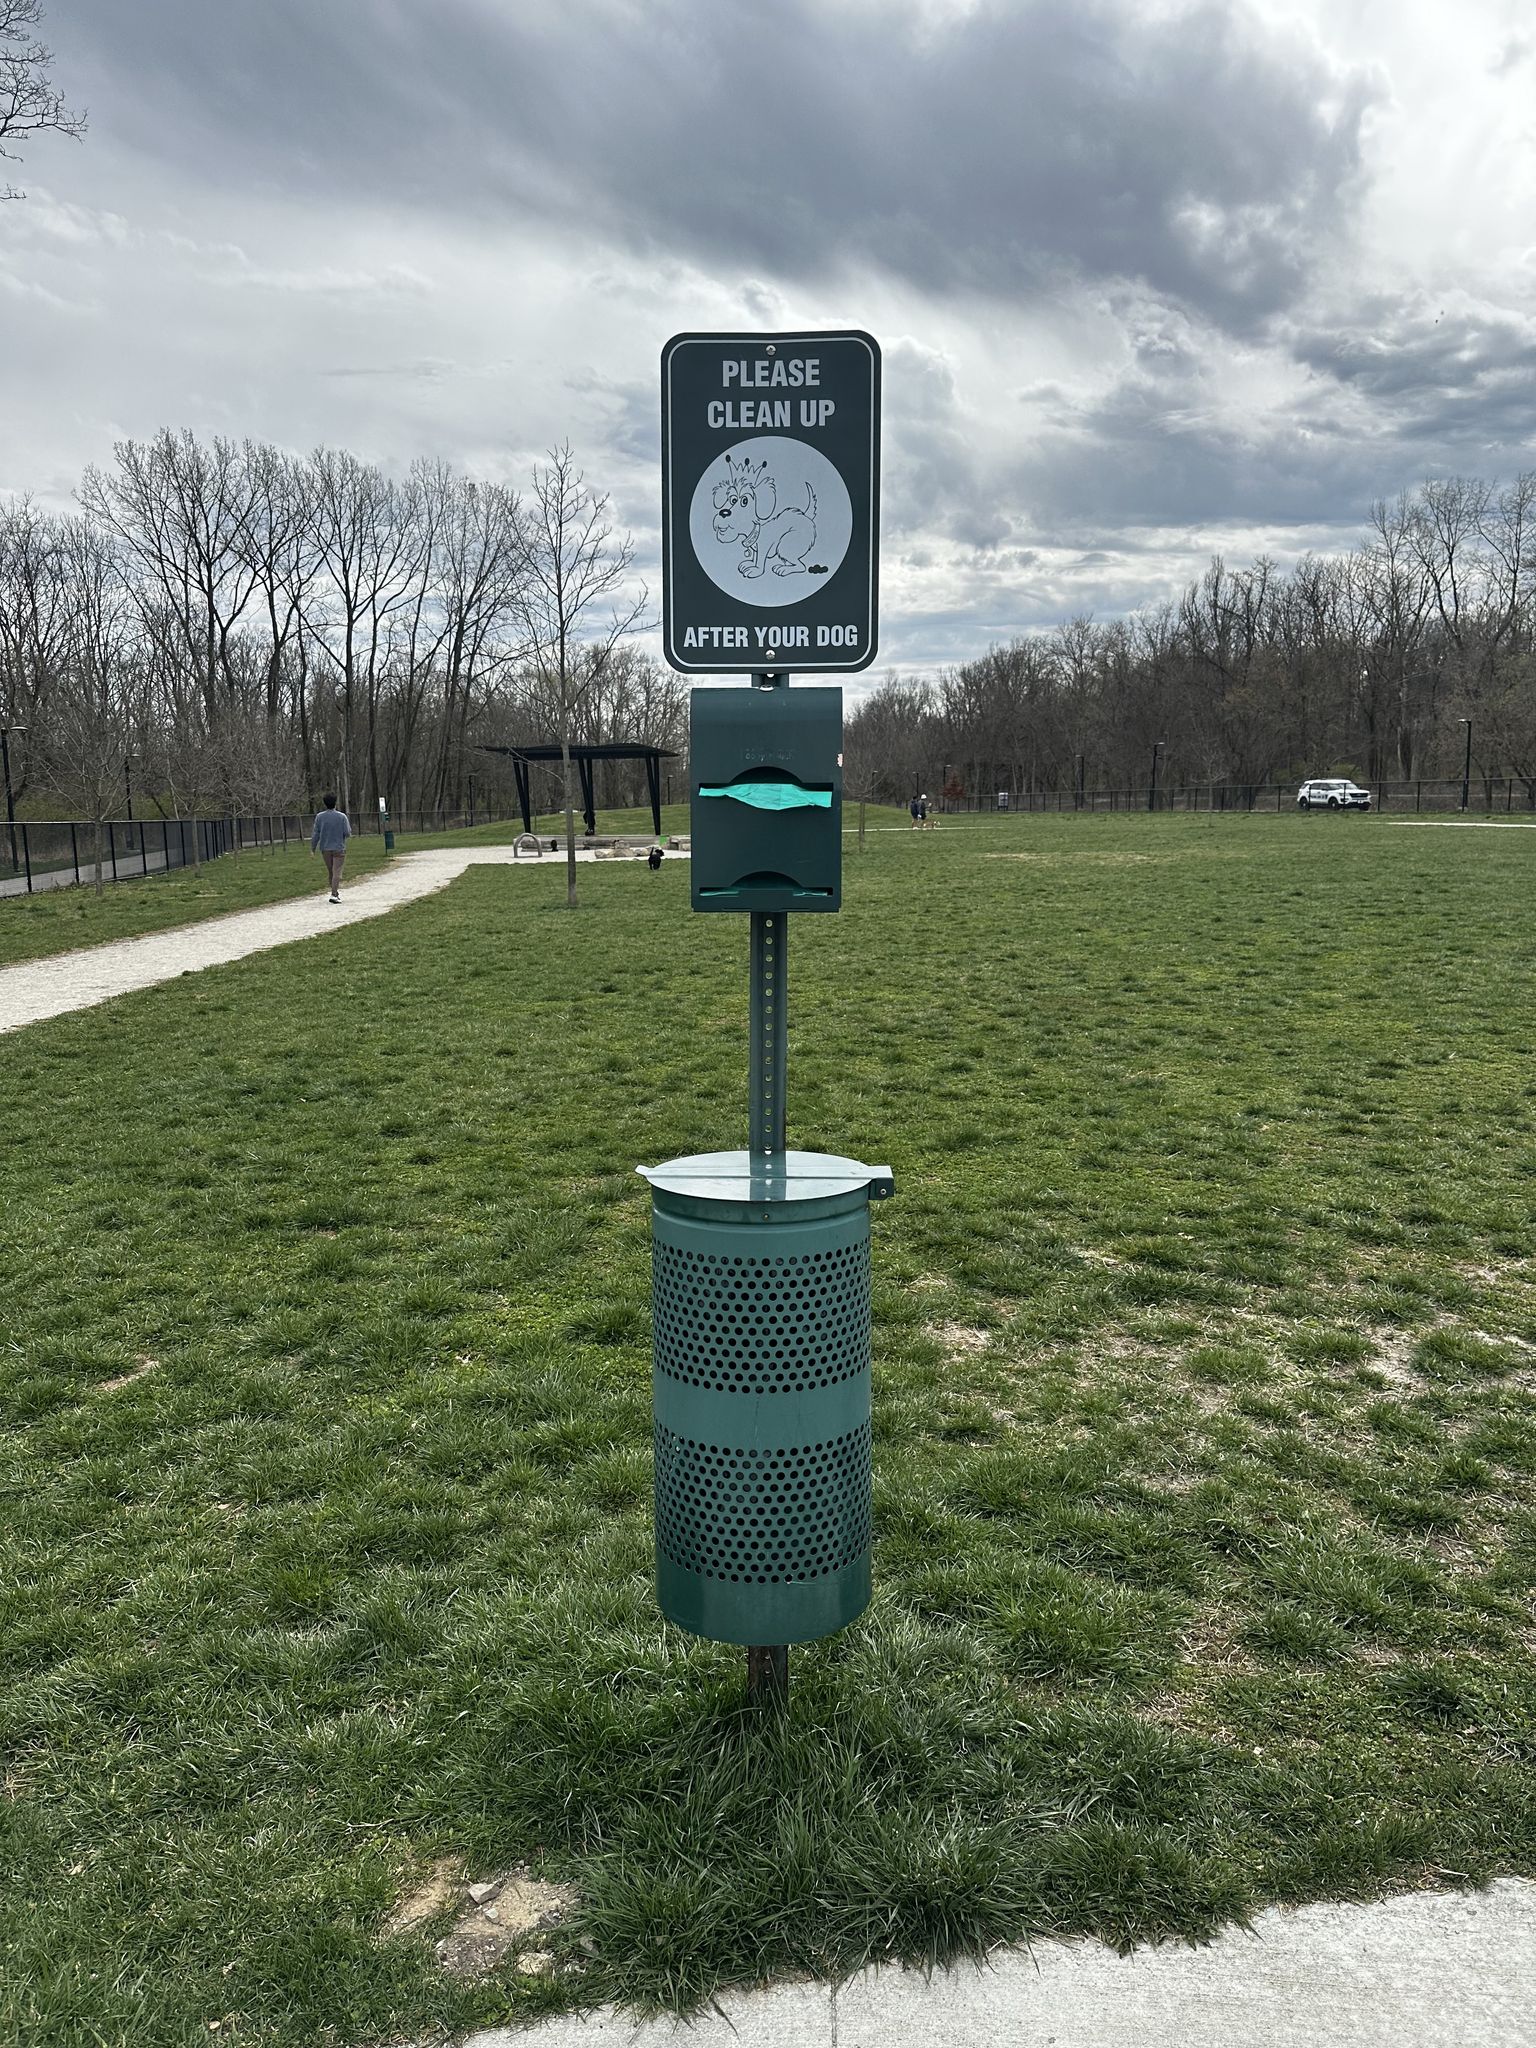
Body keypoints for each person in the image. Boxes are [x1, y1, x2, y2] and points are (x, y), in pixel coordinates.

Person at [310, 793, 352, 902]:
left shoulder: (320, 817)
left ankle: (334, 892)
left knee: (331, 871)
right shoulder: (342, 817)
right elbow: (347, 832)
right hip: (338, 847)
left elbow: (316, 834)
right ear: (335, 802)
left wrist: (312, 848)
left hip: (325, 848)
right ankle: (334, 894)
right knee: (337, 871)